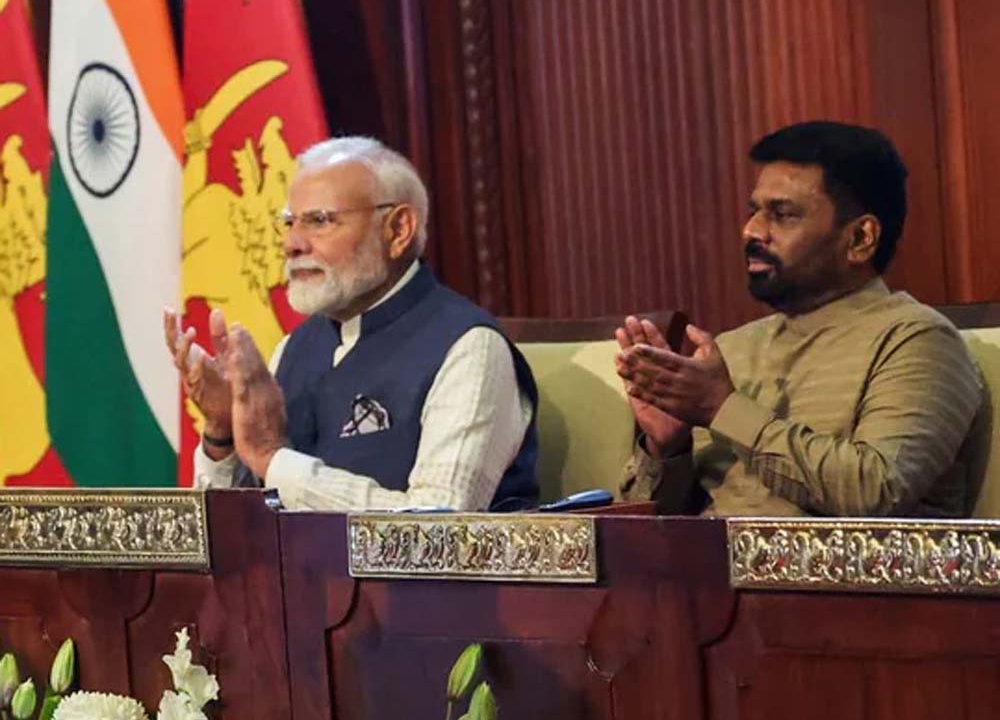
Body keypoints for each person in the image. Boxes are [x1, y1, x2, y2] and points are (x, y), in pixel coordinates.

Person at [616, 120, 986, 517]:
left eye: (783, 215)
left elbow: (877, 491)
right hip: (700, 558)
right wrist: (667, 449)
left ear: (860, 238)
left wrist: (724, 409)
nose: (751, 231)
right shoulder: (731, 349)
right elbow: (648, 530)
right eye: (754, 211)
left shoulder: (918, 341)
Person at [165, 136, 538, 511]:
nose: (292, 243)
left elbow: (437, 525)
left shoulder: (468, 347)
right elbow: (238, 525)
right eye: (290, 222)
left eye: (319, 221)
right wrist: (223, 434)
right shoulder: (294, 348)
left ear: (398, 230)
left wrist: (272, 458)